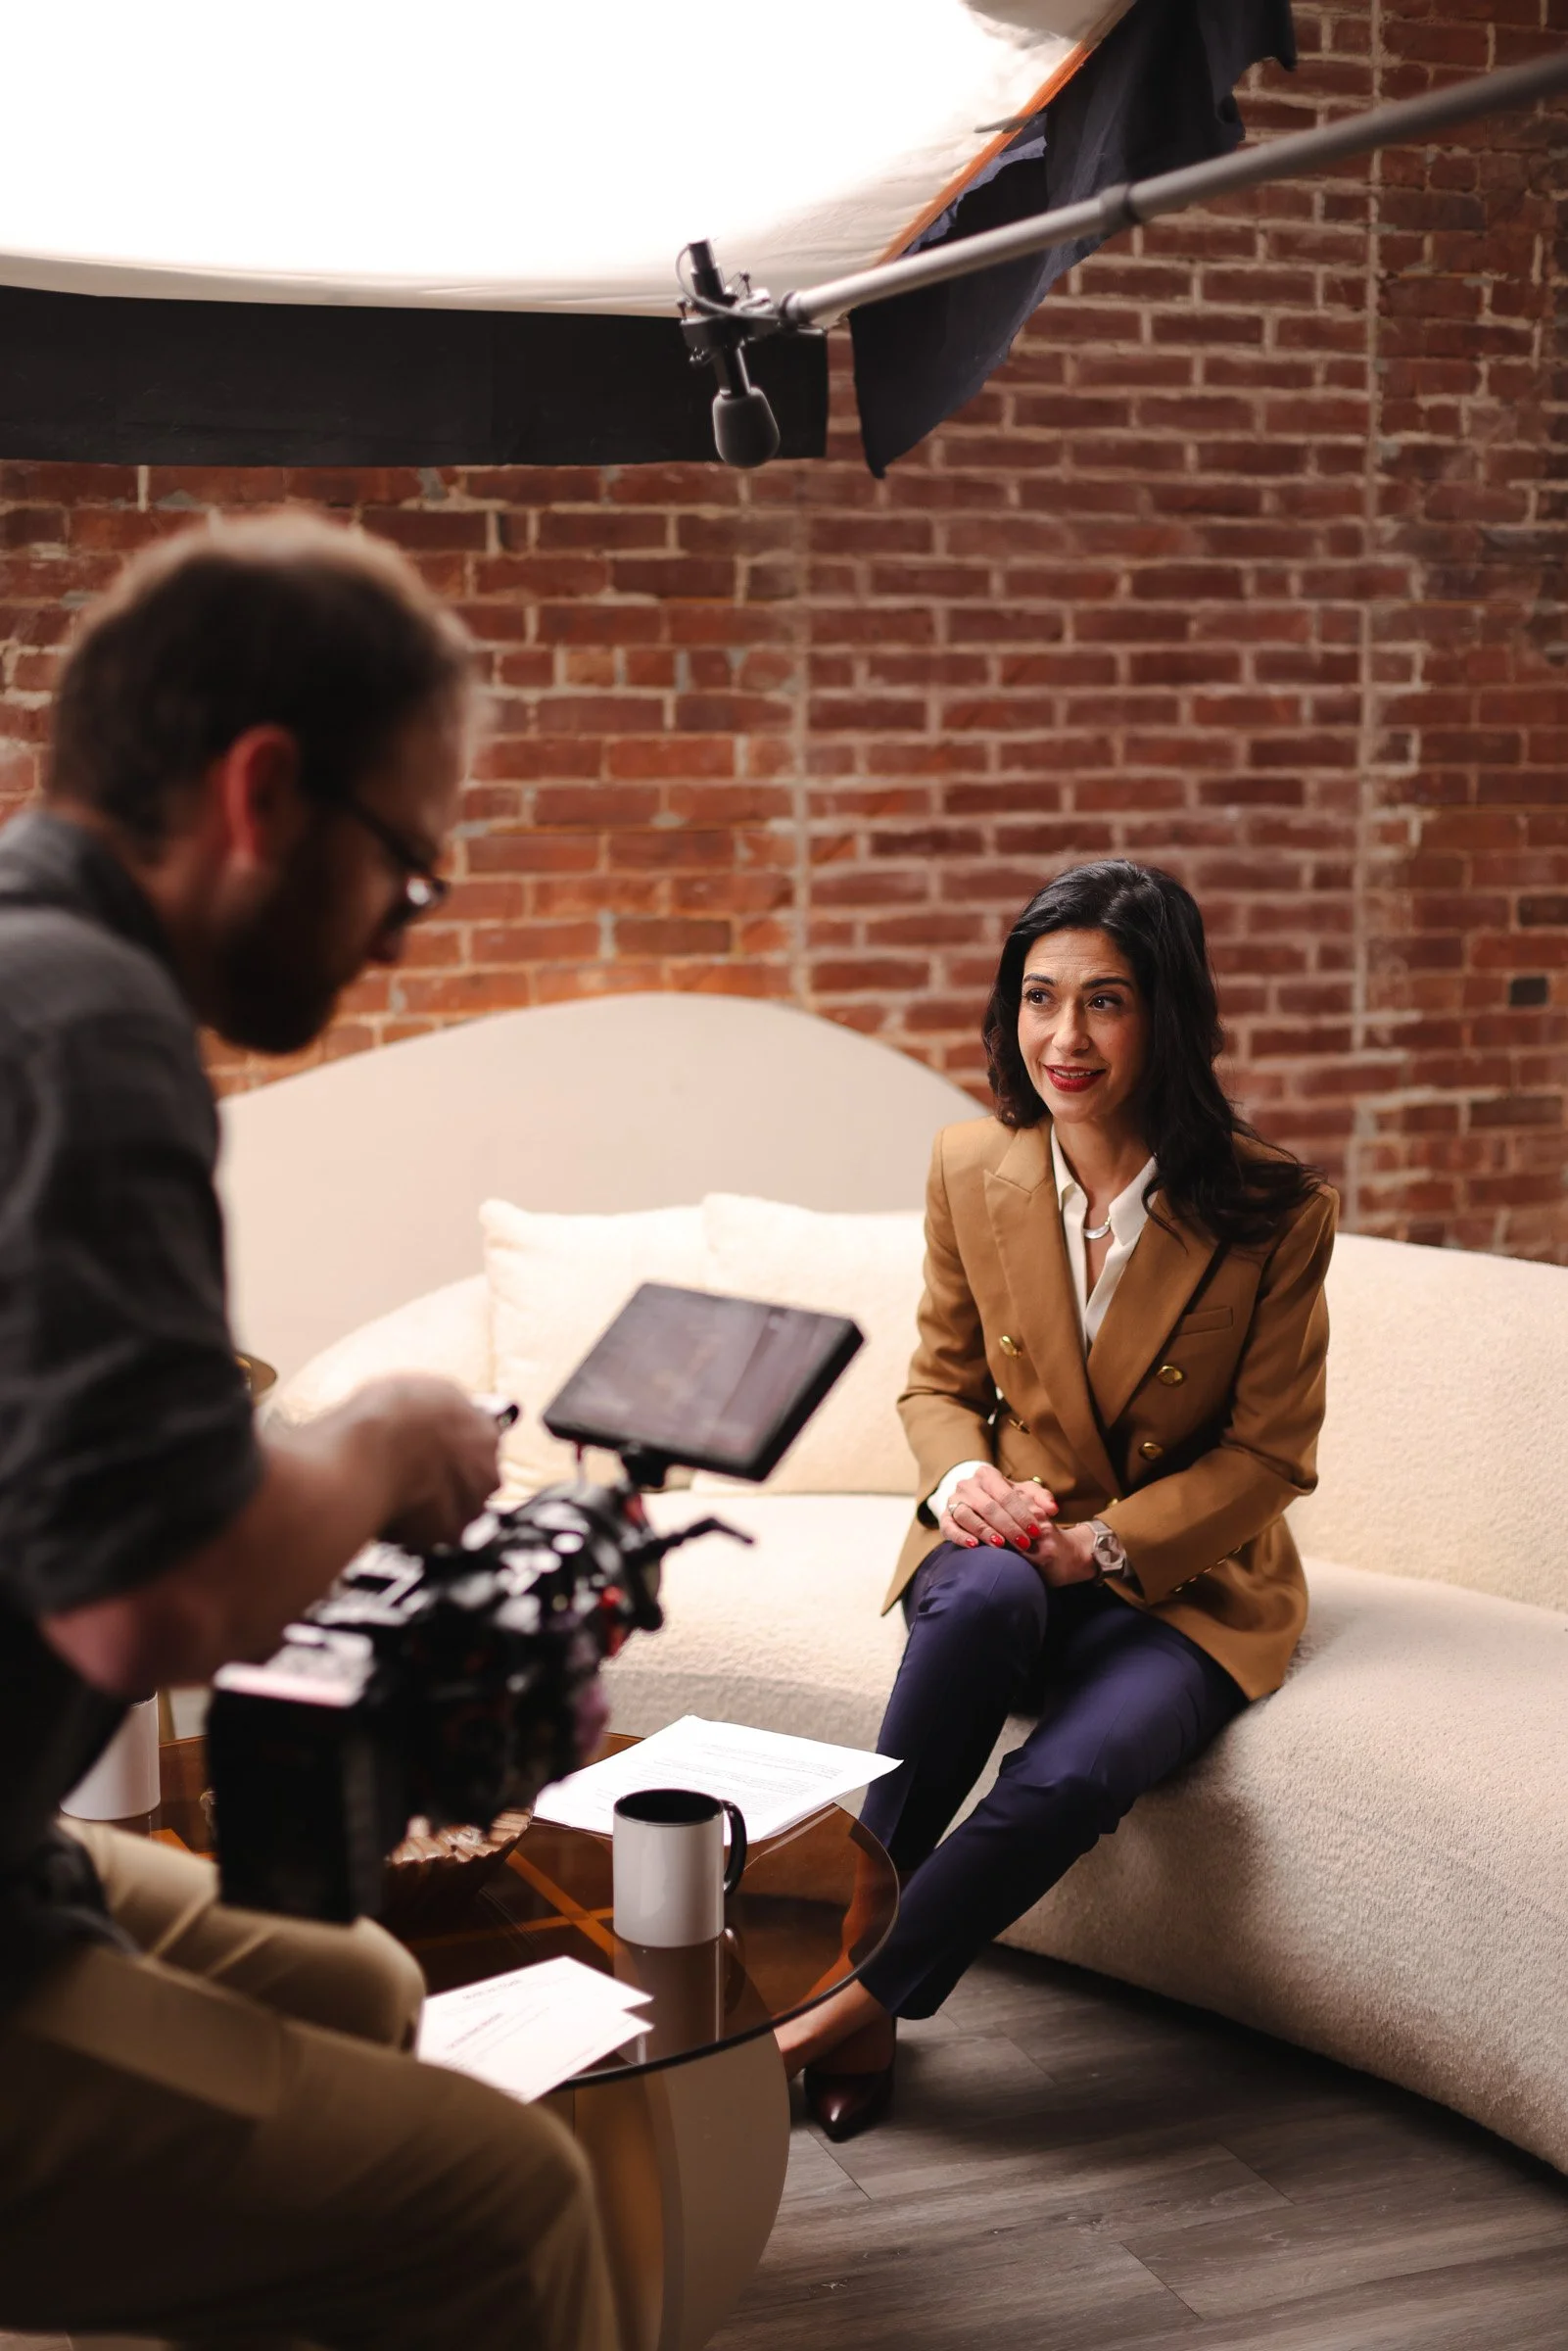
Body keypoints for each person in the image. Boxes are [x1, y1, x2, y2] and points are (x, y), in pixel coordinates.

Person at [0, 518, 618, 2350]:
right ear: (264, 790)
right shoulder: (82, 1026)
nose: (399, 930)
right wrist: (381, 1444)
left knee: (353, 1976)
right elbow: (153, 1600)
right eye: (405, 867)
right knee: (506, 2212)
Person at [778, 860, 1337, 2141]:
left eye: (1105, 1002)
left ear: (1169, 1016)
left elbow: (1267, 1459)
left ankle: (842, 2006)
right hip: (1008, 1538)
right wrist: (957, 1472)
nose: (1063, 1039)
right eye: (1039, 998)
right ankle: (850, 1967)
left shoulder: (1270, 1209)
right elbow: (938, 1383)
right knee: (969, 1611)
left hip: (1186, 1581)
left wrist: (1102, 1547)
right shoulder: (972, 1167)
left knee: (1074, 1775)